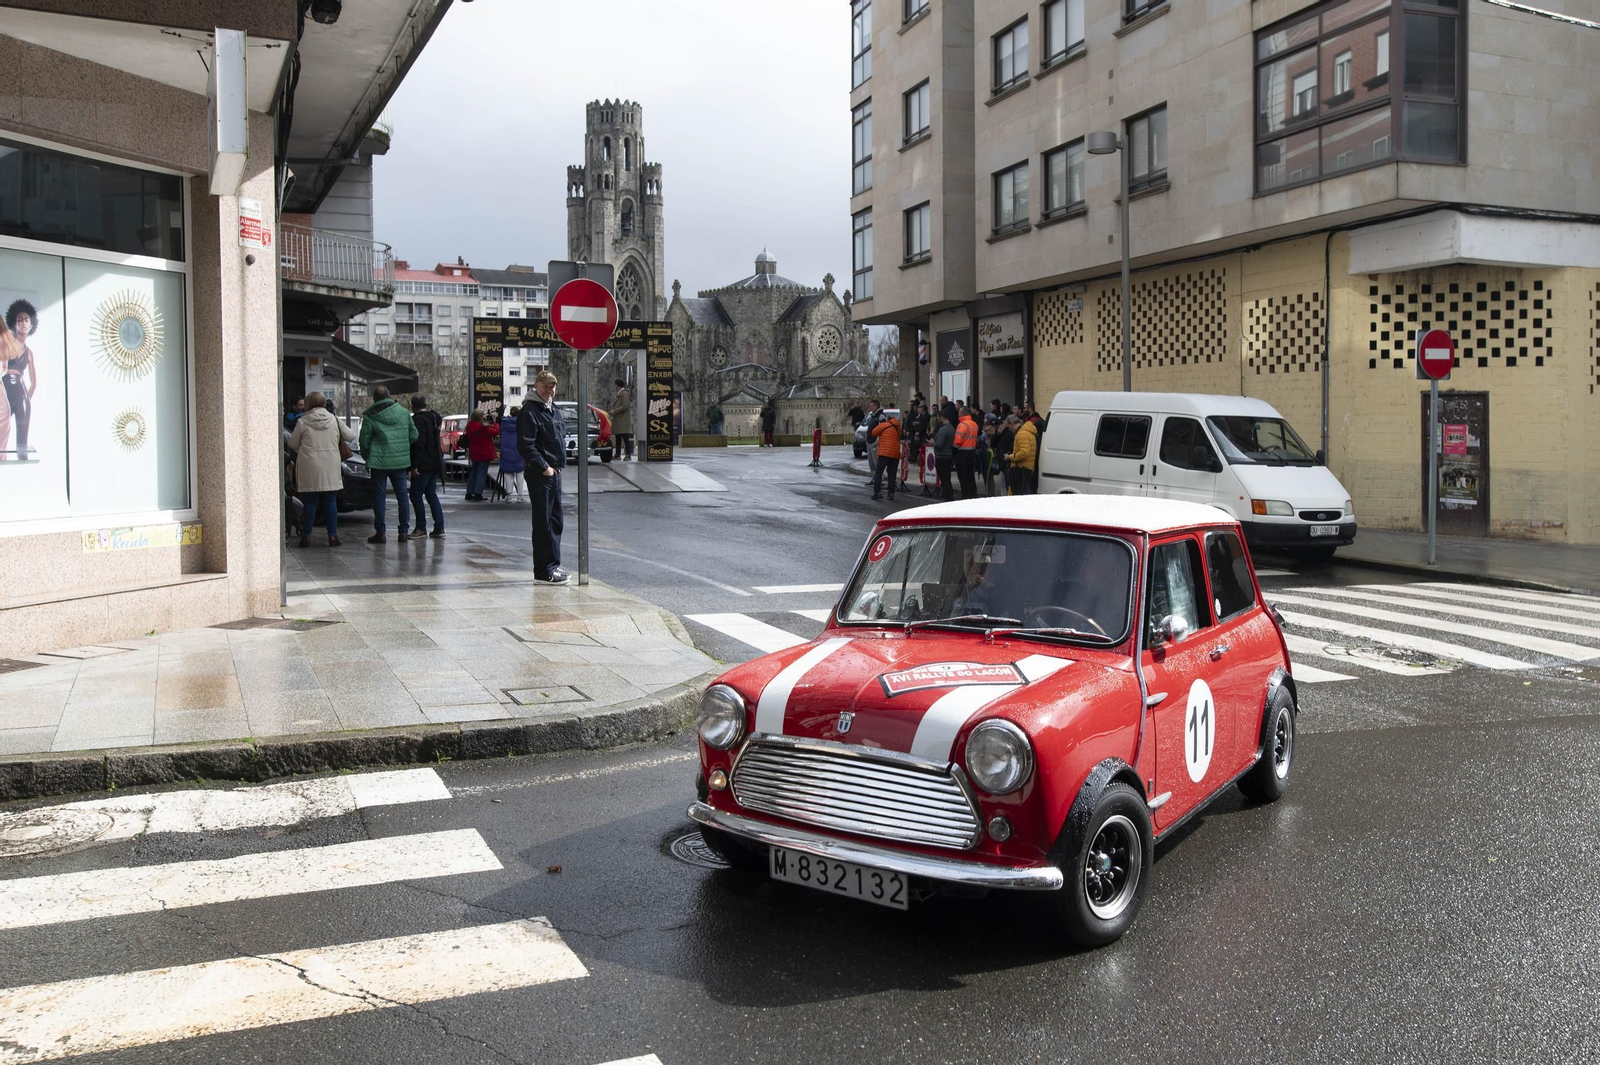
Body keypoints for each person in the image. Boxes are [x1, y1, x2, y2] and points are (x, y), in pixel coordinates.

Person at [516, 370, 569, 584]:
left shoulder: (552, 409)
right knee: (543, 524)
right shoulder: (530, 411)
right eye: (546, 386)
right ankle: (543, 571)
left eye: (552, 386)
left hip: (554, 473)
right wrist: (544, 467)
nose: (549, 390)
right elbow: (526, 445)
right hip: (541, 474)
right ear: (536, 386)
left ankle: (552, 566)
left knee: (555, 522)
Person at [287, 392, 354, 547]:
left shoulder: (303, 421)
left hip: (309, 466)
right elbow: (350, 436)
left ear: (308, 404)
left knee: (310, 502)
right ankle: (333, 536)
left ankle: (306, 536)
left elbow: (292, 443)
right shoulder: (334, 420)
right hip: (330, 466)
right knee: (330, 501)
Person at [357, 385, 417, 543]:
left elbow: (364, 440)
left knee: (379, 497)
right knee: (402, 496)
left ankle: (380, 532)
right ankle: (403, 532)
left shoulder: (371, 415)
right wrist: (402, 447)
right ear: (390, 396)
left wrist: (367, 456)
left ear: (374, 399)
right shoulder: (404, 412)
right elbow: (414, 435)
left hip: (378, 463)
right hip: (400, 462)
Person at [2, 299, 39, 460]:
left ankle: (23, 463)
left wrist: (26, 399)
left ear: (31, 325)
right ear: (14, 323)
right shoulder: (5, 343)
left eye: (26, 320)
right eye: (19, 320)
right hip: (4, 392)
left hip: (22, 394)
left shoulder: (29, 353)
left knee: (22, 442)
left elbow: (34, 383)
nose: (23, 323)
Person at [408, 395, 445, 539]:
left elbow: (419, 444)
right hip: (435, 461)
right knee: (431, 494)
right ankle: (439, 526)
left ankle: (420, 527)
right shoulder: (433, 418)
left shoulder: (418, 420)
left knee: (415, 495)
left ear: (413, 406)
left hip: (424, 463)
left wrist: (414, 465)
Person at [463, 410, 497, 500]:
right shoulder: (483, 427)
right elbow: (495, 432)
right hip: (484, 453)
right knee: (481, 473)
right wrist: (495, 423)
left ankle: (469, 493)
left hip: (474, 452)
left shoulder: (469, 425)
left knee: (474, 472)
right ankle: (478, 493)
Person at [869, 407, 901, 501]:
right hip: (895, 454)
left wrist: (880, 424)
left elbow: (873, 433)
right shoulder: (898, 428)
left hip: (884, 453)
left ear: (887, 420)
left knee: (879, 473)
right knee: (892, 474)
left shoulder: (884, 425)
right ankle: (891, 493)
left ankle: (877, 492)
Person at [1006, 413, 1039, 496]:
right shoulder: (1027, 432)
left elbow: (1024, 453)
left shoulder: (1022, 434)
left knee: (1021, 495)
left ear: (1012, 424)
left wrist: (1010, 457)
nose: (1009, 429)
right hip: (1028, 468)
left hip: (1022, 469)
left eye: (1009, 427)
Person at [498, 405, 526, 502]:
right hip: (519, 451)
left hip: (506, 451)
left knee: (508, 472)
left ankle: (509, 495)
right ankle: (520, 496)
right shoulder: (521, 424)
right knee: (520, 473)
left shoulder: (504, 423)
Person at [953, 405, 980, 499]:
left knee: (963, 477)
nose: (958, 414)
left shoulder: (962, 425)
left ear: (963, 413)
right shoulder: (974, 424)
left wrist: (953, 449)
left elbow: (957, 441)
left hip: (962, 453)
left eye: (959, 412)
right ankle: (973, 494)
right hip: (971, 452)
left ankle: (966, 496)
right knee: (970, 475)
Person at [932, 410, 956, 501]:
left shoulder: (943, 430)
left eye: (938, 418)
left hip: (941, 456)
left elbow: (939, 444)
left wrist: (932, 443)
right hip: (948, 456)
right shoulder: (952, 428)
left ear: (941, 418)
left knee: (944, 479)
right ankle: (950, 495)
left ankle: (948, 497)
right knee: (947, 478)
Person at [610, 378, 634, 460]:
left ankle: (628, 454)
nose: (614, 387)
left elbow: (625, 405)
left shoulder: (625, 394)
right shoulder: (618, 394)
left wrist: (615, 411)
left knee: (625, 437)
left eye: (615, 385)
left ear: (617, 385)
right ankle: (617, 454)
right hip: (618, 419)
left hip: (623, 419)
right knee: (618, 437)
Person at [993, 414, 1015, 496]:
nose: (1000, 425)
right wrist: (998, 433)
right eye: (999, 424)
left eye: (1002, 423)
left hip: (1008, 462)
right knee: (1002, 484)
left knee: (1008, 484)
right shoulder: (999, 433)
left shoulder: (1010, 433)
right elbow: (993, 443)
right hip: (1001, 463)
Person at [979, 415, 997, 496]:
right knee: (989, 477)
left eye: (989, 430)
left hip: (997, 459)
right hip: (988, 459)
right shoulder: (982, 438)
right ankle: (990, 494)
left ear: (994, 428)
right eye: (986, 431)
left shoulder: (997, 436)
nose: (987, 432)